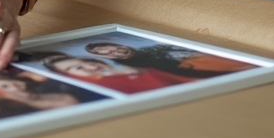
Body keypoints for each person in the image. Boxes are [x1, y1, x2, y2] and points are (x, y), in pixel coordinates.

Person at [84, 41, 256, 78]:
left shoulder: (151, 48)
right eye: (106, 53)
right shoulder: (143, 67)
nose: (116, 51)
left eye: (112, 46)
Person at [40, 54, 196, 94]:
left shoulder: (130, 66)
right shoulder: (103, 85)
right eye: (77, 69)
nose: (87, 67)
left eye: (83, 62)